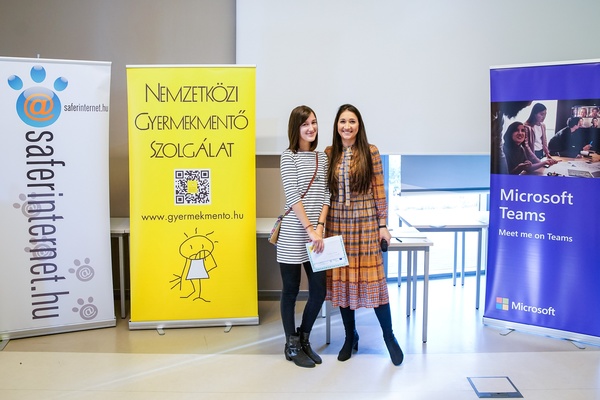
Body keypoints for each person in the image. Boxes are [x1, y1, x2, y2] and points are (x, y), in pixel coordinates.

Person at [324, 104, 403, 366]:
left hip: (366, 223)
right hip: (337, 224)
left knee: (374, 281)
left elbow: (379, 190)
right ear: (336, 125)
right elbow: (325, 193)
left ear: (359, 125)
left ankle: (389, 337)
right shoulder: (329, 153)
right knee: (344, 281)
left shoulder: (371, 152)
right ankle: (350, 337)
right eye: (342, 121)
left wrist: (383, 225)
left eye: (352, 121)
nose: (347, 126)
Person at [276, 105, 330, 368]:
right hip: (292, 234)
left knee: (319, 291)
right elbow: (293, 195)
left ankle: (304, 338)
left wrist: (319, 228)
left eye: (314, 122)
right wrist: (309, 229)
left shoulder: (322, 158)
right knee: (290, 291)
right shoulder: (288, 156)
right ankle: (291, 345)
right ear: (295, 128)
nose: (311, 128)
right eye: (305, 124)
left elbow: (327, 195)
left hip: (316, 235)